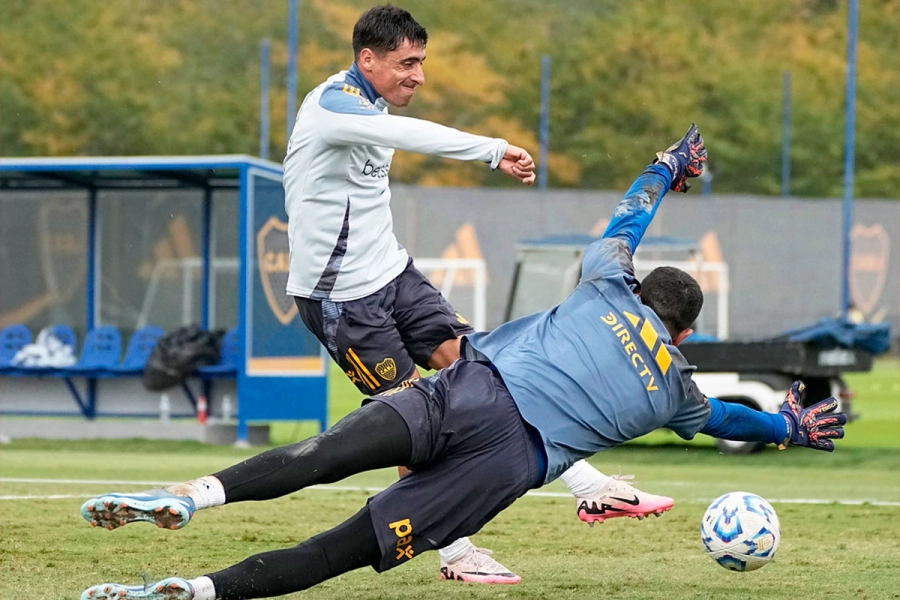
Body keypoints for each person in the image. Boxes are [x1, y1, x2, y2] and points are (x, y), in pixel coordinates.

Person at [78, 125, 848, 600]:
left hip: (469, 391)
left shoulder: (607, 282)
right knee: (337, 551)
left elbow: (628, 218)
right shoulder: (676, 390)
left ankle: (196, 494)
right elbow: (728, 419)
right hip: (505, 464)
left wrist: (666, 167)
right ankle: (193, 593)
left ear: (640, 289)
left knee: (320, 457)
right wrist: (787, 427)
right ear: (685, 335)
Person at [277, 3, 671, 583]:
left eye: (422, 62)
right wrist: (491, 149)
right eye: (407, 63)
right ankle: (456, 552)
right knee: (413, 425)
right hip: (341, 300)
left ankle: (588, 486)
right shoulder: (334, 106)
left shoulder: (373, 103)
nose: (419, 75)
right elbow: (407, 135)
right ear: (368, 59)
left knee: (491, 368)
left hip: (392, 274)